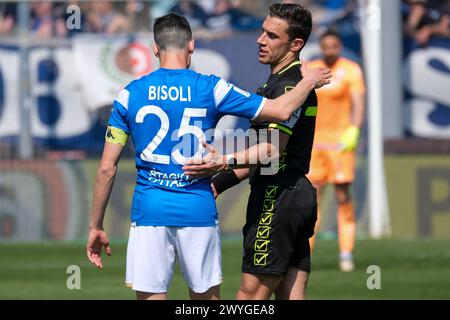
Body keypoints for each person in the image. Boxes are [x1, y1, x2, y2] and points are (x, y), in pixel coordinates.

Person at [86, 13, 331, 300]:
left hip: (150, 209)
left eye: (270, 35)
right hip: (198, 206)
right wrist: (308, 81)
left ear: (155, 48)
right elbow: (279, 111)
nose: (260, 40)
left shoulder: (129, 95)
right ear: (191, 45)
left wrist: (95, 226)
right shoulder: (212, 87)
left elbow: (106, 169)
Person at [183, 3, 320, 300]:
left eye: (272, 36)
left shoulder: (288, 87)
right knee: (290, 293)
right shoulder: (281, 83)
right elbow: (257, 152)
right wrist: (218, 183)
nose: (260, 40)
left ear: (295, 44)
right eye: (262, 31)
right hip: (295, 195)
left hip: (277, 197)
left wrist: (222, 160)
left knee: (249, 297)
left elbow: (271, 150)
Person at [307, 29, 365, 272]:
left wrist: (354, 129)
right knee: (311, 201)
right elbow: (305, 102)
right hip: (314, 145)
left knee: (343, 197)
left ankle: (345, 253)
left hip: (340, 145)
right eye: (326, 45)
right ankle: (305, 254)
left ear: (339, 46)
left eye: (334, 45)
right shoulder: (311, 69)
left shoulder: (351, 70)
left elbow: (358, 102)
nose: (330, 50)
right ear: (321, 46)